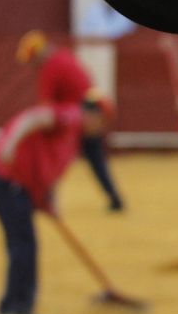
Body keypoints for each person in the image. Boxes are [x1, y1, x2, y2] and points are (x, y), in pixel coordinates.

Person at [0, 98, 87, 314]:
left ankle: (14, 306)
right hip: (9, 179)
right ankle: (15, 309)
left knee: (22, 244)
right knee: (23, 245)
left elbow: (50, 169)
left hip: (16, 182)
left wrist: (50, 201)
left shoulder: (73, 133)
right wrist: (10, 143)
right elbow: (33, 118)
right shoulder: (72, 117)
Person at [16, 30, 125, 212]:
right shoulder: (63, 56)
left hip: (76, 118)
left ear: (37, 54)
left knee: (54, 156)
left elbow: (46, 106)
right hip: (90, 112)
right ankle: (115, 198)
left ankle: (45, 196)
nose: (31, 64)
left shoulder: (50, 67)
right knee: (95, 159)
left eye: (31, 58)